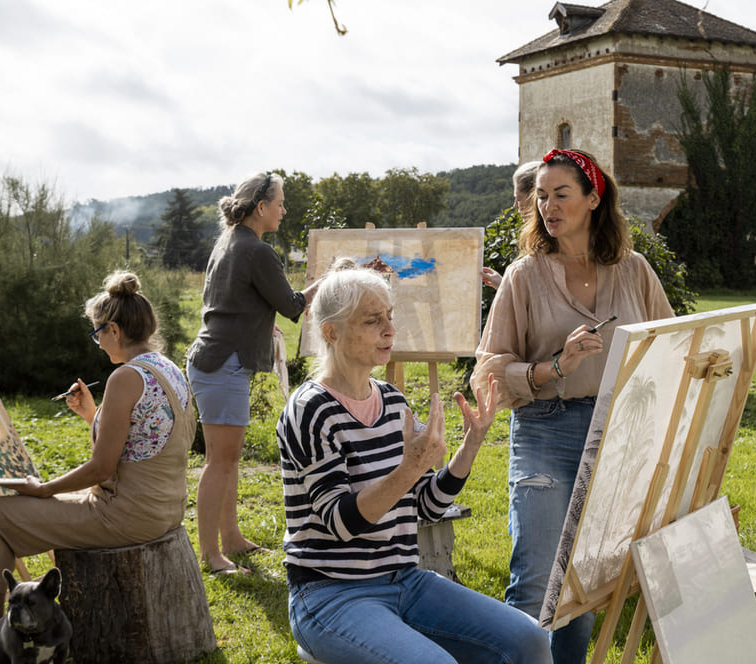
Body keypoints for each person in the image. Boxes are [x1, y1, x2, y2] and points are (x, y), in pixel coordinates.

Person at [278, 261, 552, 664]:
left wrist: (471, 445)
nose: (390, 330)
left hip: (405, 580)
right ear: (331, 333)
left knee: (530, 640)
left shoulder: (392, 401)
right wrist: (409, 468)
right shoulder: (311, 409)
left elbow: (426, 505)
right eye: (373, 320)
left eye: (389, 317)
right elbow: (341, 523)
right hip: (330, 593)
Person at [472, 149, 674, 664]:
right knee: (536, 580)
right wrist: (554, 367)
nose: (548, 206)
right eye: (542, 196)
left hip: (617, 433)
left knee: (582, 583)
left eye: (561, 194)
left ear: (593, 199)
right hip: (545, 429)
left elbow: (671, 347)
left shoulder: (634, 270)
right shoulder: (523, 275)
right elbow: (489, 370)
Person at [0, 270, 194, 630]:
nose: (97, 342)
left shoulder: (125, 378)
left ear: (113, 330)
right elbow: (140, 442)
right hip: (165, 508)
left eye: (97, 333)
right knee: (9, 512)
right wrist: (92, 415)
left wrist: (44, 489)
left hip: (127, 516)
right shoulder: (167, 368)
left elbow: (102, 469)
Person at [187, 171, 318, 575]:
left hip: (216, 361)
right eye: (280, 203)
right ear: (260, 207)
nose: (284, 210)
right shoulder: (257, 250)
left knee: (226, 459)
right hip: (224, 364)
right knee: (220, 462)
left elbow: (236, 302)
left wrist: (261, 325)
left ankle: (231, 539)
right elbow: (292, 305)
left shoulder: (228, 241)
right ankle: (211, 555)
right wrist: (326, 282)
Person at [481, 161, 540, 290]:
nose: (515, 206)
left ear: (534, 198)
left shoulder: (545, 249)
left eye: (518, 198)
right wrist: (503, 284)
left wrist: (505, 286)